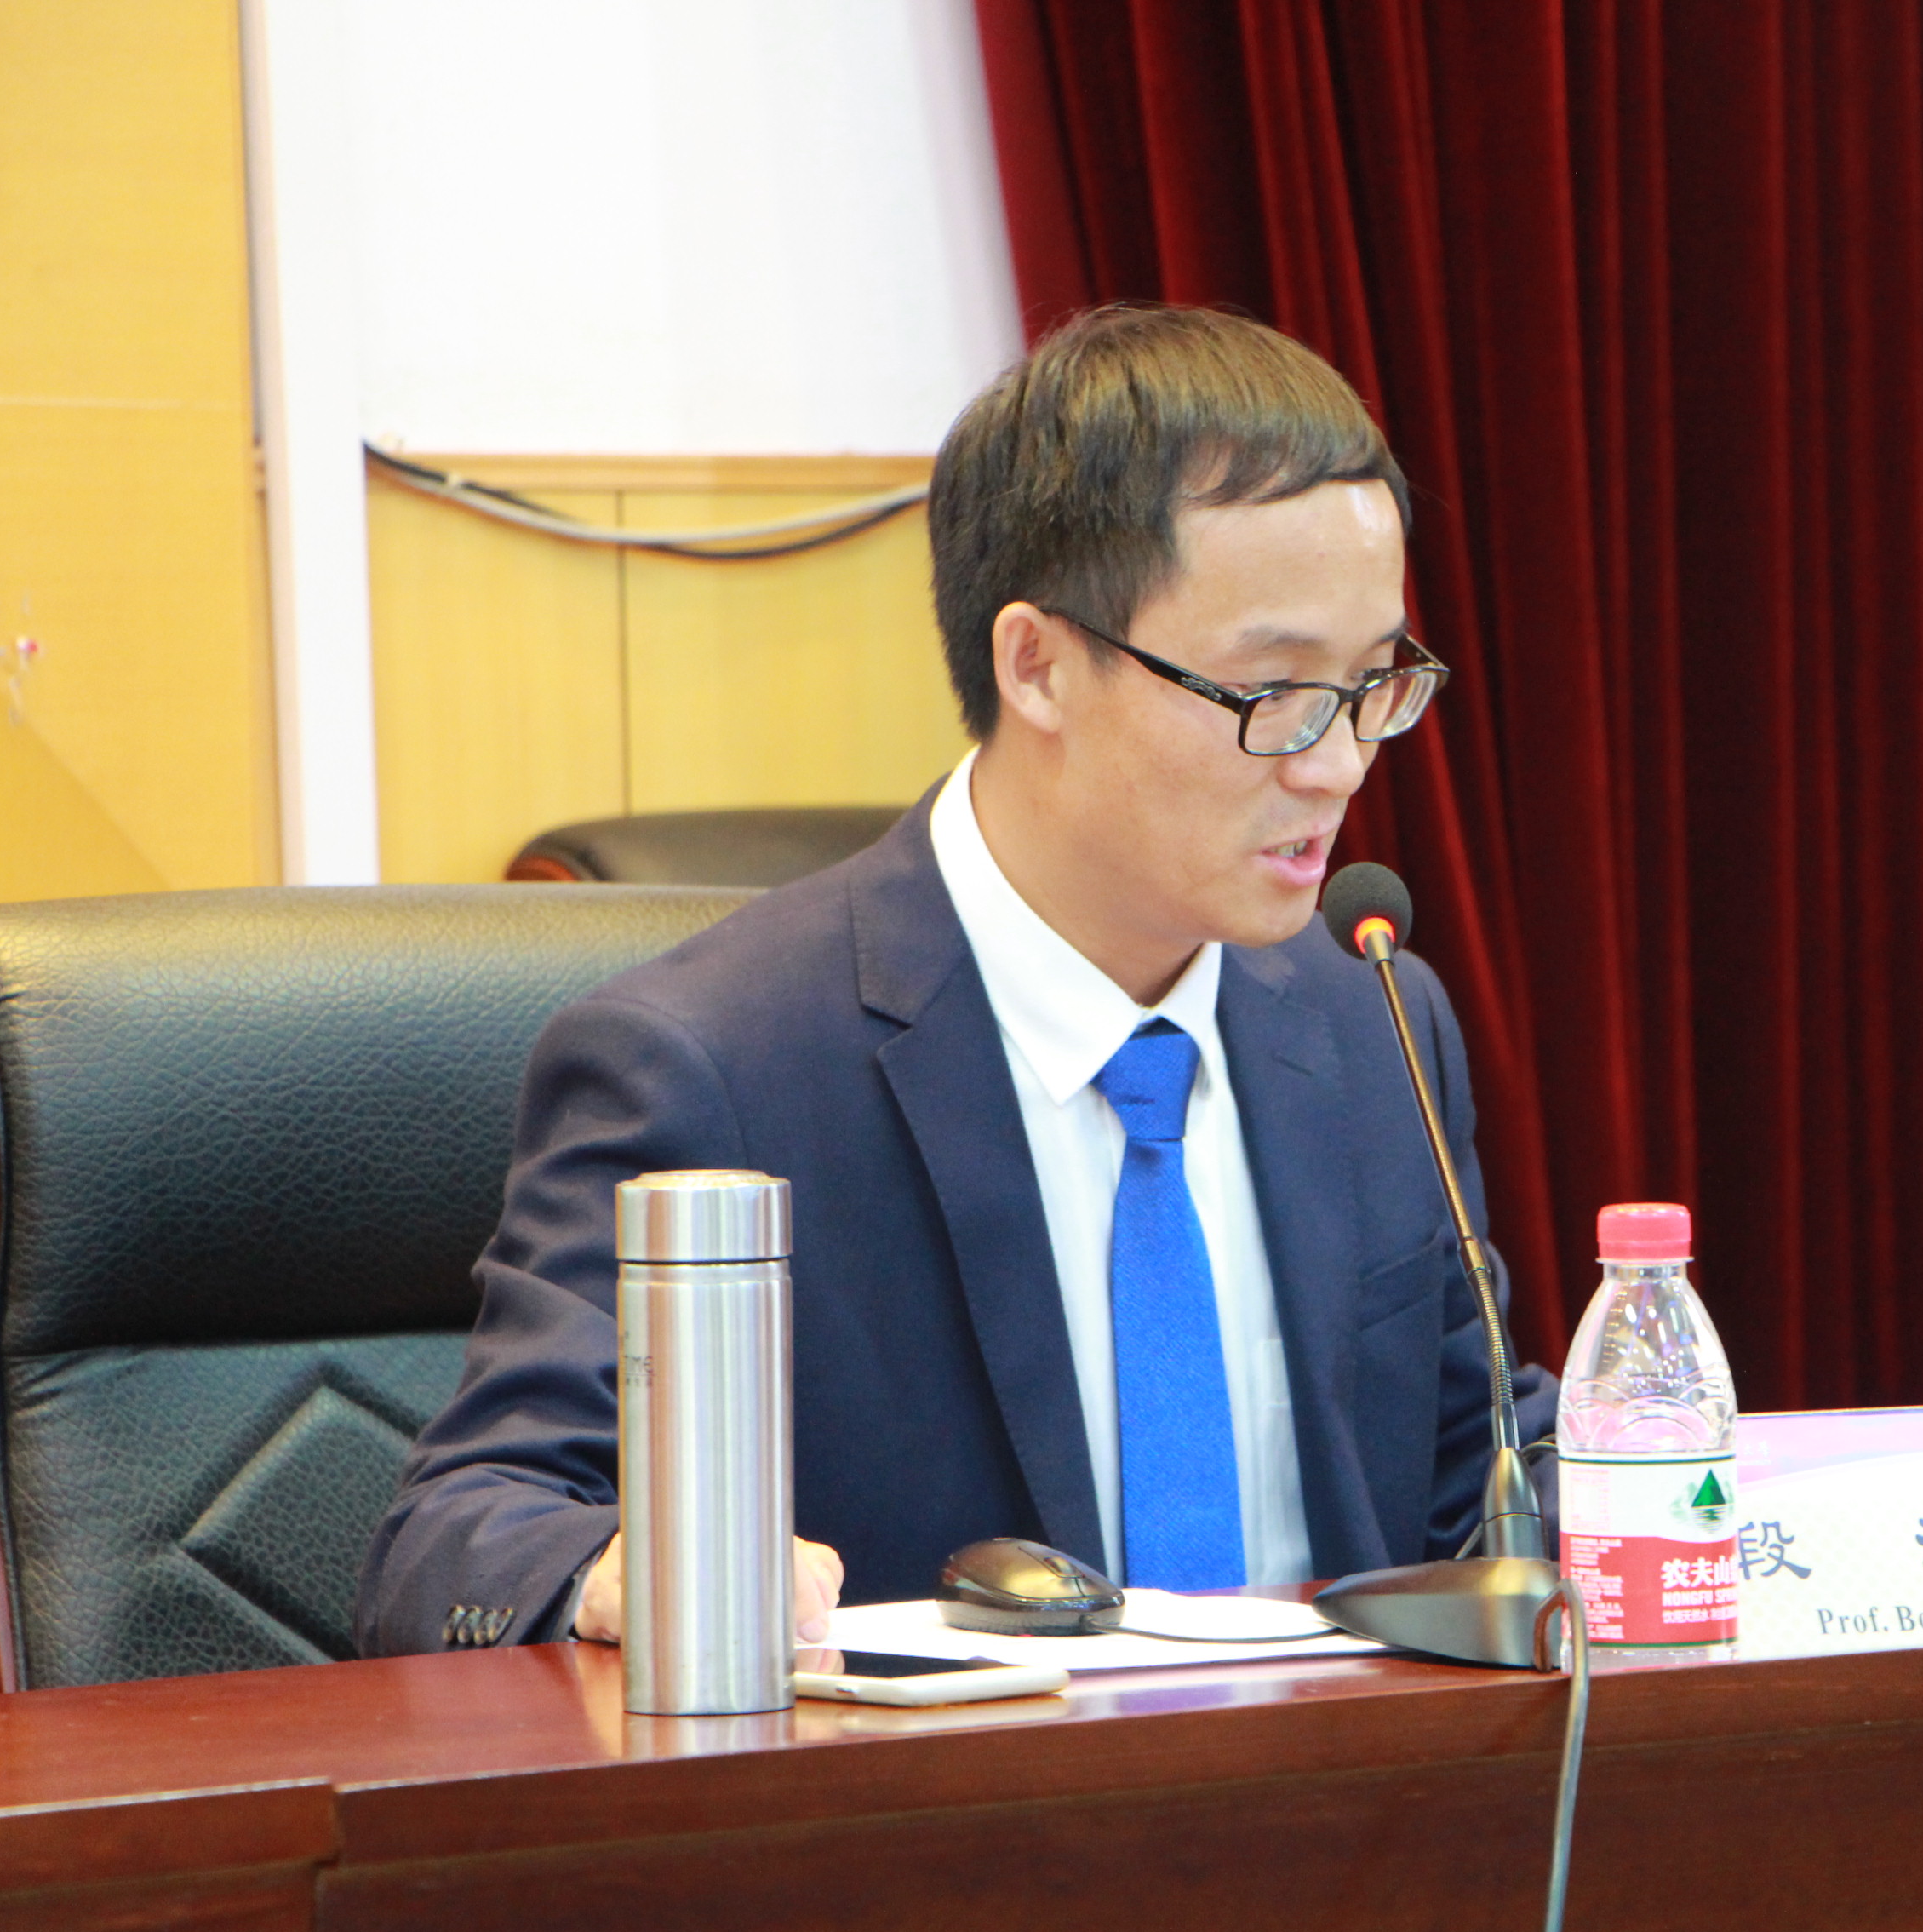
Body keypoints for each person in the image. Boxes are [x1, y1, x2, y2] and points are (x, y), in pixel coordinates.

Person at [354, 306, 1548, 1655]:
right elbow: (460, 1537)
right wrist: (622, 1574)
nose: (1337, 765)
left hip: (1353, 1780)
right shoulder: (714, 1070)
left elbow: (1478, 1475)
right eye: (1274, 692)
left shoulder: (1373, 1020)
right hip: (936, 1786)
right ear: (1037, 665)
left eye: (1375, 682)